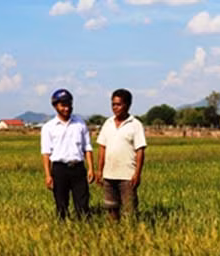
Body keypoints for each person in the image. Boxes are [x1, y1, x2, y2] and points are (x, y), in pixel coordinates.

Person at [40, 89, 94, 219]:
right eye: (63, 105)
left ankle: (83, 231)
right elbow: (46, 153)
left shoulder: (80, 123)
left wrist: (91, 168)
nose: (67, 108)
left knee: (82, 205)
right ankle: (63, 231)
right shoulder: (48, 127)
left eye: (69, 104)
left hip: (78, 168)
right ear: (55, 106)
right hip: (59, 169)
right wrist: (48, 175)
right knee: (61, 205)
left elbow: (87, 147)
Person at [97, 89, 146, 220]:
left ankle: (131, 234)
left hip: (127, 176)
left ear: (128, 105)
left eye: (118, 104)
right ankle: (114, 234)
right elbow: (102, 148)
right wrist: (100, 171)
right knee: (111, 208)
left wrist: (137, 174)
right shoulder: (107, 123)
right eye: (113, 104)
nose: (115, 108)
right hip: (109, 175)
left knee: (130, 210)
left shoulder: (135, 125)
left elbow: (140, 151)